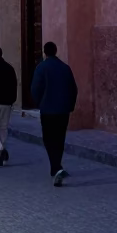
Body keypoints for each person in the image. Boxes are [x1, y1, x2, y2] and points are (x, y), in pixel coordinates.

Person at [30, 41, 79, 186]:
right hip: (63, 110)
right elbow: (73, 89)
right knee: (59, 138)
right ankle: (56, 167)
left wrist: (39, 103)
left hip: (48, 110)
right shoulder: (65, 68)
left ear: (45, 52)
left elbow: (35, 89)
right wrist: (70, 105)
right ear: (56, 51)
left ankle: (56, 167)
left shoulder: (41, 68)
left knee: (48, 139)